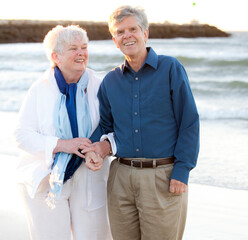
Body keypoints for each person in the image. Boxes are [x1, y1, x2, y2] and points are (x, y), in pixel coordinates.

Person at [82, 5, 200, 240]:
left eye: (132, 29)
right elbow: (107, 127)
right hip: (121, 178)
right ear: (115, 41)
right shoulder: (110, 81)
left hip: (163, 177)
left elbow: (189, 121)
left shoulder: (170, 68)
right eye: (120, 32)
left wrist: (182, 170)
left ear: (145, 33)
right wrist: (93, 148)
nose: (127, 35)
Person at [14, 25, 112, 240]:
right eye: (73, 48)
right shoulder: (40, 88)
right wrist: (63, 144)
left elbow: (115, 126)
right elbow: (21, 135)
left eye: (84, 47)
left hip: (90, 176)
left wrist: (102, 148)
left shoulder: (101, 85)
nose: (81, 53)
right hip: (47, 178)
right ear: (55, 56)